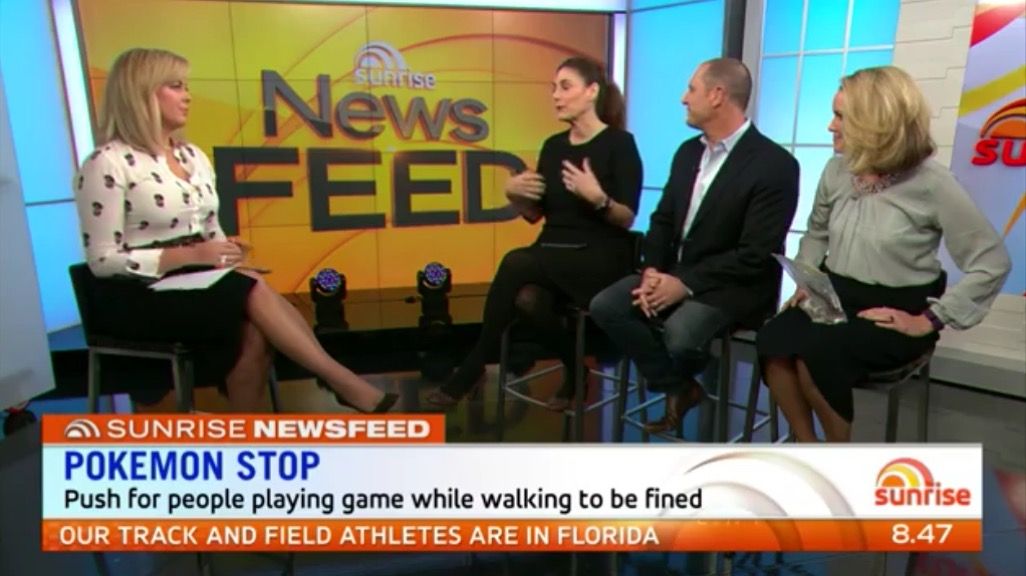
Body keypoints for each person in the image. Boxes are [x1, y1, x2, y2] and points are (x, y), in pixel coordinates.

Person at [72, 48, 397, 413]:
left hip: (196, 283)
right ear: (140, 92)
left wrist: (226, 252)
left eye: (186, 86)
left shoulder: (192, 156)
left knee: (253, 325)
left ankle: (251, 433)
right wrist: (191, 255)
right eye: (176, 86)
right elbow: (102, 260)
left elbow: (210, 231)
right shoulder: (106, 163)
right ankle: (340, 379)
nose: (188, 96)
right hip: (137, 295)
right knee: (249, 288)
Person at [756, 66, 1012, 442]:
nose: (830, 126)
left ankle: (837, 461)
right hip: (836, 295)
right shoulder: (836, 170)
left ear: (875, 123)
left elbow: (992, 262)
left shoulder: (934, 184)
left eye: (840, 116)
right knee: (773, 340)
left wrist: (930, 319)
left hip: (895, 310)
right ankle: (809, 450)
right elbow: (817, 232)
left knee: (816, 353)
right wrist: (807, 277)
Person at [590, 58, 799, 434]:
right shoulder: (688, 152)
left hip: (734, 285)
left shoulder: (775, 165)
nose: (683, 98)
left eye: (691, 89)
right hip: (674, 272)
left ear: (717, 95)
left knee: (681, 335)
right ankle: (679, 387)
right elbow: (662, 219)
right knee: (606, 305)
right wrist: (653, 271)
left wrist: (684, 285)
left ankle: (679, 385)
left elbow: (755, 253)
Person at [425, 56, 643, 410]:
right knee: (528, 300)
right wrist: (515, 196)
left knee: (515, 262)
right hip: (552, 251)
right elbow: (537, 214)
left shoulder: (620, 143)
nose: (556, 95)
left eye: (565, 87)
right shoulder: (553, 146)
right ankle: (576, 371)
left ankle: (471, 369)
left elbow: (627, 218)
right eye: (553, 88)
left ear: (592, 92)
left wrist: (598, 198)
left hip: (600, 256)